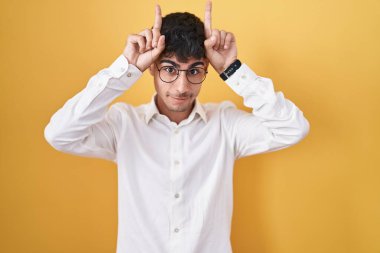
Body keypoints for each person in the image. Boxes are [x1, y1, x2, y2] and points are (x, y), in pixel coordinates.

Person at [44, 1, 310, 252]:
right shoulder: (124, 125)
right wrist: (126, 68)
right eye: (169, 69)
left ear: (207, 68)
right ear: (151, 67)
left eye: (194, 71)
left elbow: (293, 128)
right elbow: (59, 134)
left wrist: (232, 69)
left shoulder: (225, 125)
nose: (182, 88)